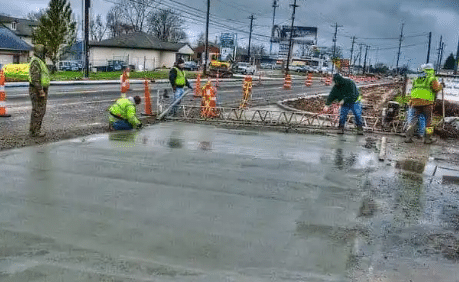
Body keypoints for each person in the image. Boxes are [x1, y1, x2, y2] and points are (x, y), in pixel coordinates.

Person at [405, 63, 442, 144]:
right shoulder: (432, 78)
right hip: (427, 102)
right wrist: (441, 86)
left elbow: (414, 89)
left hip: (415, 102)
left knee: (413, 121)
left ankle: (408, 138)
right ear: (432, 69)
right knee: (428, 121)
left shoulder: (417, 78)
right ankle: (427, 139)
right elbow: (436, 88)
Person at [28, 44, 50, 137]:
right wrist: (40, 91)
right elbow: (35, 78)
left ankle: (34, 130)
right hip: (37, 89)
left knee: (39, 110)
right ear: (40, 52)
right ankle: (35, 131)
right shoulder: (36, 62)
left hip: (39, 88)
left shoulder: (39, 61)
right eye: (43, 52)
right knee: (38, 111)